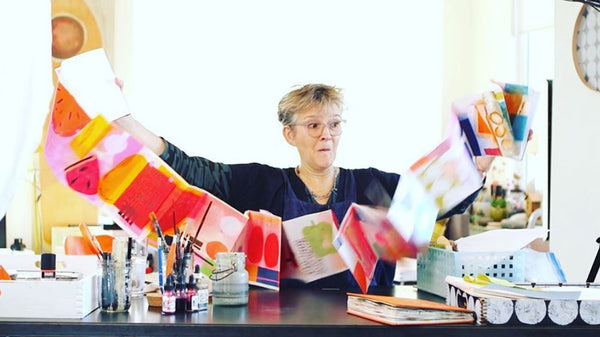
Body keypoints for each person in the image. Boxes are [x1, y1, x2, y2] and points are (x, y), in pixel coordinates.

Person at [116, 83, 490, 291]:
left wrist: (483, 161)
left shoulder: (374, 184)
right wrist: (127, 123)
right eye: (313, 125)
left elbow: (442, 202)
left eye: (334, 124)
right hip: (284, 327)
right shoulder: (263, 184)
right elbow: (191, 170)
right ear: (289, 134)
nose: (326, 134)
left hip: (367, 327)